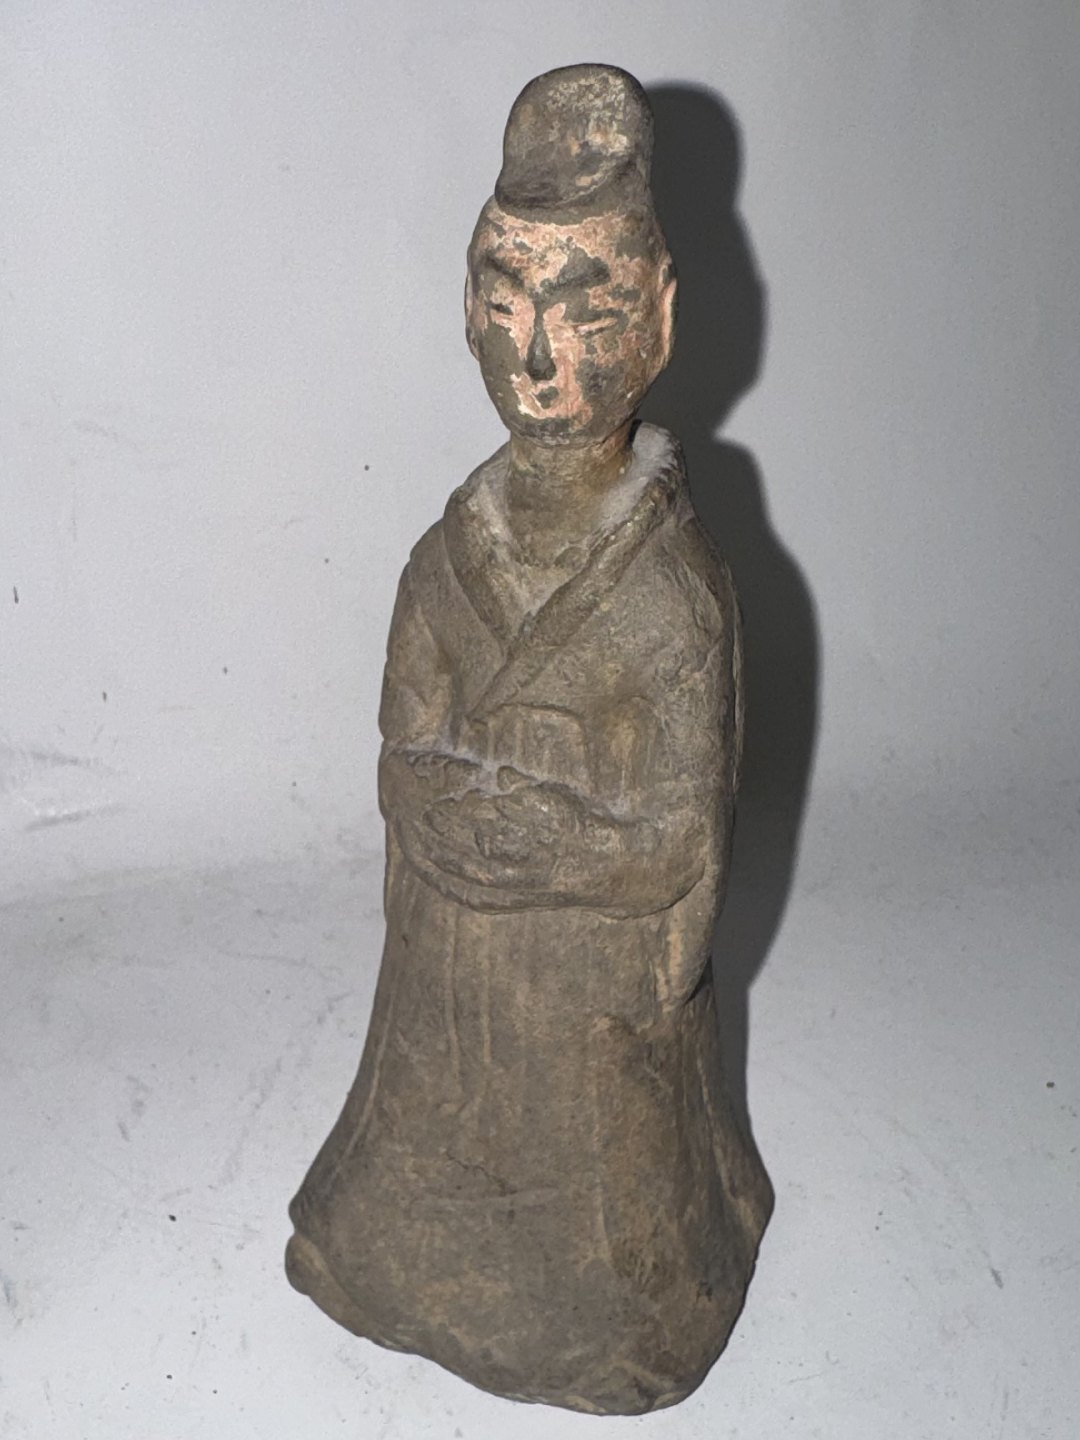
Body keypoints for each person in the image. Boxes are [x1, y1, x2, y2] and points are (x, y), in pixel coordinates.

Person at [286, 64, 772, 1416]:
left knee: (615, 1260)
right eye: (503, 305)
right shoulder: (444, 561)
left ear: (659, 318)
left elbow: (684, 845)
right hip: (449, 986)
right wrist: (441, 811)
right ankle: (397, 1260)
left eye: (585, 308)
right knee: (392, 1194)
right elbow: (401, 754)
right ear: (465, 310)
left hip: (590, 1014)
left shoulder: (674, 598)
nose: (537, 356)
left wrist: (549, 848)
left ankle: (625, 1306)